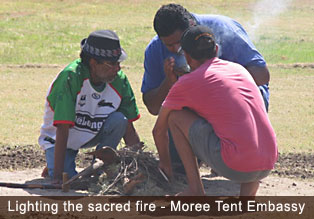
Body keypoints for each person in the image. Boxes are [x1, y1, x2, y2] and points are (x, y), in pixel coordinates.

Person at [153, 25, 277, 196]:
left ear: (187, 56)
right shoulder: (239, 69)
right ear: (216, 49)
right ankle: (247, 198)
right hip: (268, 162)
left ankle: (195, 190)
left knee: (175, 117)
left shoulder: (187, 82)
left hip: (236, 167)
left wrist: (166, 165)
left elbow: (159, 130)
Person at [142, 3, 271, 168]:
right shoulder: (154, 49)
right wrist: (169, 81)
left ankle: (241, 157)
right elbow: (153, 107)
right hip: (197, 112)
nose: (176, 49)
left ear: (191, 26)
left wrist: (209, 81)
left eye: (179, 43)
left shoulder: (223, 28)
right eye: (169, 45)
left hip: (237, 110)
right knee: (178, 166)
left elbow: (262, 75)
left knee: (241, 164)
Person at [38, 30, 141, 183]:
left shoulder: (119, 80)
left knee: (121, 120)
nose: (118, 69)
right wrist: (58, 176)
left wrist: (141, 165)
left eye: (118, 63)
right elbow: (62, 128)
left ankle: (101, 167)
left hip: (92, 132)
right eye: (112, 64)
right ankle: (55, 163)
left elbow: (129, 128)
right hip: (59, 138)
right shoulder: (70, 78)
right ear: (93, 63)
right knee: (69, 180)